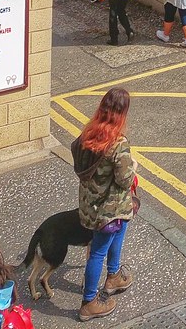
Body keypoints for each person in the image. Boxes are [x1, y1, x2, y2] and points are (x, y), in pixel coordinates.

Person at [71, 87, 136, 321]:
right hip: (109, 210)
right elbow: (125, 179)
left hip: (90, 205)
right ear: (122, 113)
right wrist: (134, 166)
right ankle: (89, 302)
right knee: (97, 252)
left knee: (121, 229)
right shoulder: (118, 144)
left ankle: (114, 275)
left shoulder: (87, 135)